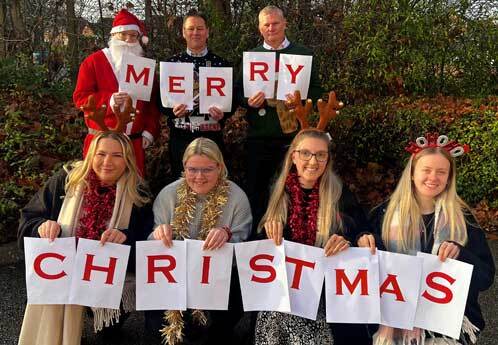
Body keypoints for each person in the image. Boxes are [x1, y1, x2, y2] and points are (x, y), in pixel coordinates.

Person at [17, 131, 154, 345]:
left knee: (110, 330)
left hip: (105, 275)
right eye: (101, 154)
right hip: (65, 271)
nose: (107, 162)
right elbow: (28, 219)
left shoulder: (138, 193)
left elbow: (148, 246)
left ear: (127, 160)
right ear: (91, 155)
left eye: (117, 155)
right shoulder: (66, 180)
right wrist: (42, 226)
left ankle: (108, 324)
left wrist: (125, 238)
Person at [358, 133, 495, 345]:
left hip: (446, 326)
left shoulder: (463, 219)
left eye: (441, 172)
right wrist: (365, 240)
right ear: (412, 174)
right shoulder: (384, 213)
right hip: (392, 324)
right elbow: (363, 260)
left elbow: (486, 278)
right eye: (426, 170)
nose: (433, 177)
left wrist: (461, 253)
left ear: (449, 178)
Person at [255, 128, 372, 345]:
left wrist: (348, 239)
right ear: (294, 156)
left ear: (327, 159)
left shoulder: (340, 193)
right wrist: (266, 231)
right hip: (284, 294)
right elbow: (252, 246)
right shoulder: (274, 192)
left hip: (326, 293)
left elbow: (359, 231)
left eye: (320, 155)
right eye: (306, 153)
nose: (313, 161)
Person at [145, 137, 252, 345]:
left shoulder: (237, 197)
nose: (199, 177)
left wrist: (227, 235)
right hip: (175, 276)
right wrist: (158, 234)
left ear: (220, 167)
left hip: (217, 279)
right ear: (184, 167)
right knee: (158, 328)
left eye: (208, 170)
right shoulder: (169, 194)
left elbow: (245, 249)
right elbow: (151, 245)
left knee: (215, 331)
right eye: (192, 169)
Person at [238, 5, 324, 234]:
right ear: (259, 28)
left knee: (292, 190)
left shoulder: (303, 54)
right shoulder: (252, 55)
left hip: (293, 136)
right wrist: (249, 101)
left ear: (285, 24)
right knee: (257, 191)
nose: (271, 28)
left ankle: (292, 238)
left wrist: (300, 99)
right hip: (259, 136)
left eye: (275, 23)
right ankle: (256, 241)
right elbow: (238, 93)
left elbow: (317, 90)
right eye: (266, 24)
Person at [73, 8, 160, 175]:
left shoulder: (143, 66)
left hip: (133, 144)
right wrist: (109, 100)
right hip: (101, 144)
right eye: (123, 35)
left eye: (133, 36)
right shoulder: (93, 62)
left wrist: (150, 131)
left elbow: (152, 105)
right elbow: (80, 97)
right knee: (98, 192)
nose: (128, 40)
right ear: (114, 36)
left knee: (133, 192)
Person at [160, 10, 232, 180]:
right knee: (181, 184)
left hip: (211, 134)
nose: (195, 33)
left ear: (207, 31)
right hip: (180, 135)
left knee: (213, 182)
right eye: (190, 28)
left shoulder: (221, 64)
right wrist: (171, 111)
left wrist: (224, 114)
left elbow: (232, 98)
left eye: (200, 28)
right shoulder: (171, 64)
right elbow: (160, 100)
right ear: (183, 32)